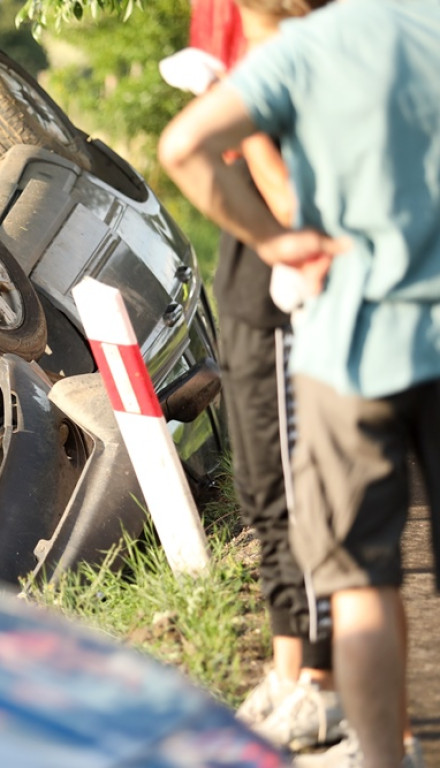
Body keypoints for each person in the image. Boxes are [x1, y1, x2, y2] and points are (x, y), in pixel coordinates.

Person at [158, 2, 440, 766]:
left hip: (352, 347)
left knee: (362, 584)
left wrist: (280, 240)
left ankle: (386, 756)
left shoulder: (309, 50)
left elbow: (183, 146)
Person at [173, 0, 343, 753]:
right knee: (261, 486)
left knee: (297, 483)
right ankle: (290, 667)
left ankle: (324, 683)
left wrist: (287, 235)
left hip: (291, 249)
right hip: (250, 247)